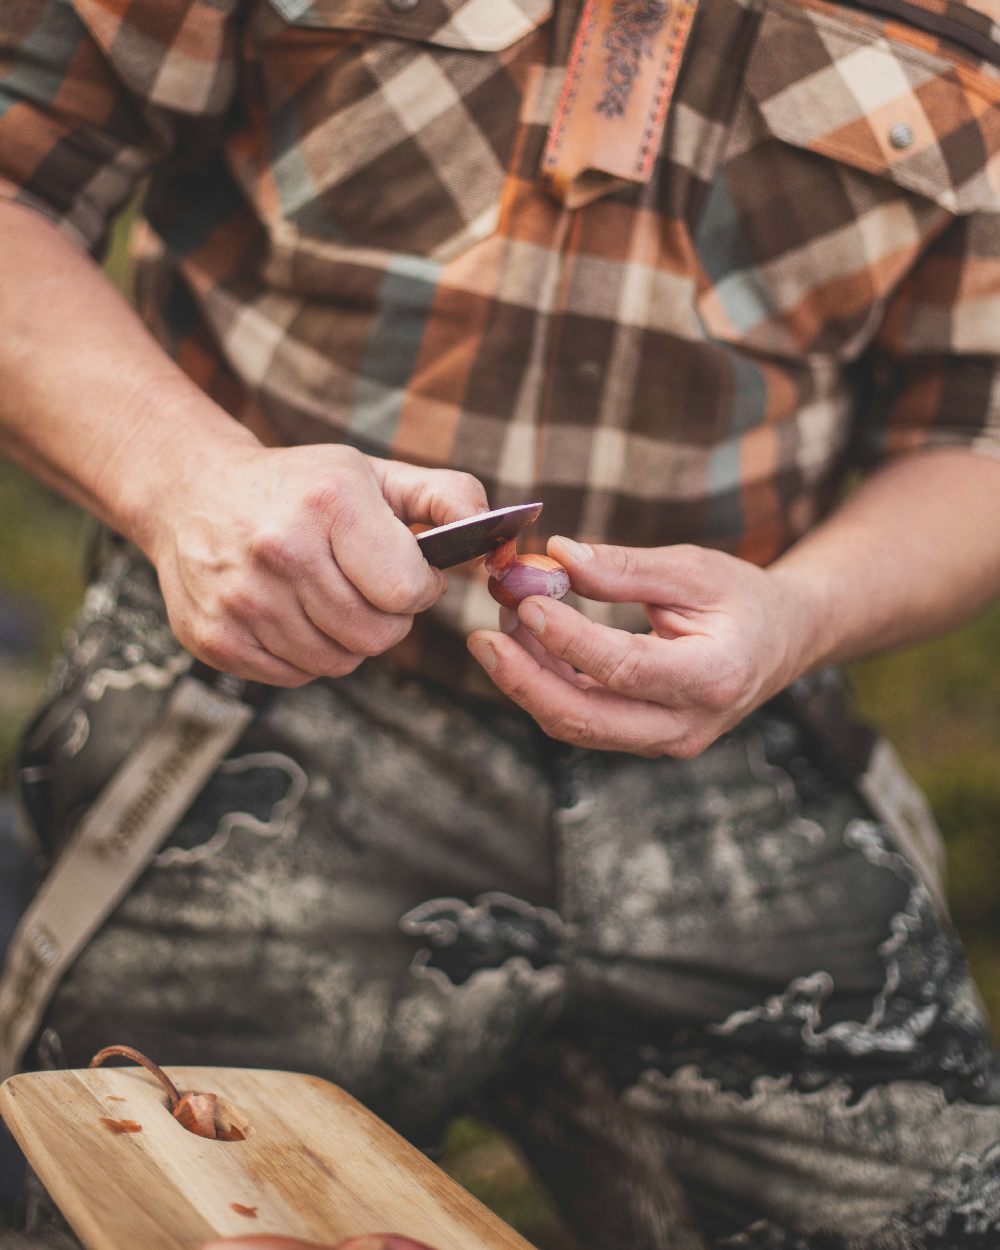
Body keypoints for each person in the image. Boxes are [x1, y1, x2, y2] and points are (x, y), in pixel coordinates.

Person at [1, 0, 999, 1245]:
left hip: (733, 740)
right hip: (249, 713)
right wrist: (181, 476)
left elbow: (974, 431)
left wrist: (799, 615)